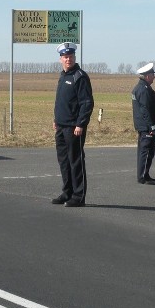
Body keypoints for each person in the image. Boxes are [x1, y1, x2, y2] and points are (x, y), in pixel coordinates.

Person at [51, 42, 94, 208]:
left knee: (75, 160)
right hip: (61, 126)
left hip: (74, 128)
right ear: (61, 59)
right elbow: (61, 101)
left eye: (70, 56)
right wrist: (56, 119)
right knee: (64, 161)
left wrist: (80, 124)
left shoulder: (80, 76)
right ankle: (67, 192)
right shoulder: (63, 76)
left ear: (74, 57)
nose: (68, 59)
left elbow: (86, 103)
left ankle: (78, 196)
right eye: (65, 57)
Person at [131, 62, 155, 185]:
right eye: (153, 75)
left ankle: (145, 174)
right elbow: (145, 109)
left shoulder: (141, 88)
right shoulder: (143, 90)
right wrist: (152, 125)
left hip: (144, 125)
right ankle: (142, 176)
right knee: (146, 152)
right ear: (147, 76)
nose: (154, 77)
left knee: (148, 151)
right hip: (146, 126)